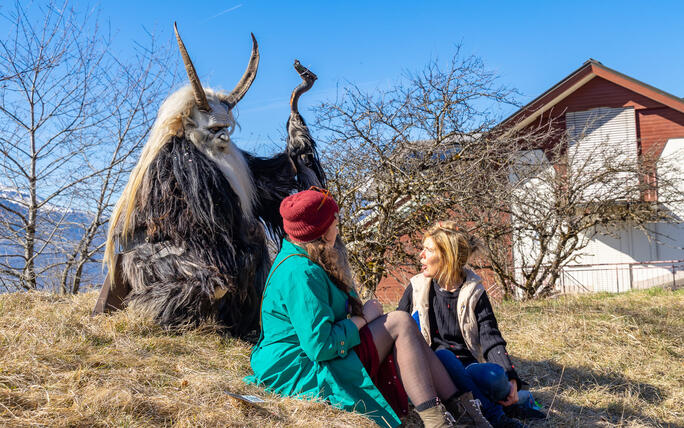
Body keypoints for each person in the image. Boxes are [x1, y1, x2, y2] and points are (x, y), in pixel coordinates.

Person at [246, 189, 492, 428]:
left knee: (406, 329)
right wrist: (364, 317)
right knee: (400, 322)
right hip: (299, 368)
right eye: (333, 221)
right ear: (320, 232)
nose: (337, 227)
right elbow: (320, 347)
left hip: (311, 355)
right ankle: (438, 422)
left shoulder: (309, 257)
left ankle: (465, 413)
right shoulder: (301, 273)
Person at [397, 221, 545, 428]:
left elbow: (491, 338)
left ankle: (508, 402)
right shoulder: (416, 287)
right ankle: (497, 417)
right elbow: (398, 330)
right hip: (435, 372)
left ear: (448, 257)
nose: (420, 255)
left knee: (493, 377)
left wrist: (511, 377)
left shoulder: (474, 292)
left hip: (469, 368)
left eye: (428, 250)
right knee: (443, 355)